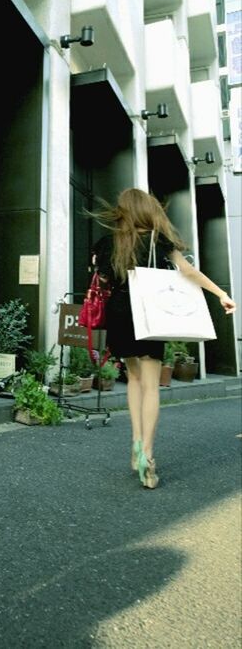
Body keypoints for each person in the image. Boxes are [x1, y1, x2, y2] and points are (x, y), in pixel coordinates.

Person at [90, 188, 236, 490]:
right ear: (148, 209)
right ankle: (148, 454)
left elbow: (101, 278)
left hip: (119, 313)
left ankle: (134, 441)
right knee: (151, 384)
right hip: (150, 312)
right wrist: (221, 293)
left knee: (132, 379)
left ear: (123, 211)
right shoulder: (159, 240)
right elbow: (188, 272)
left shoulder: (108, 242)